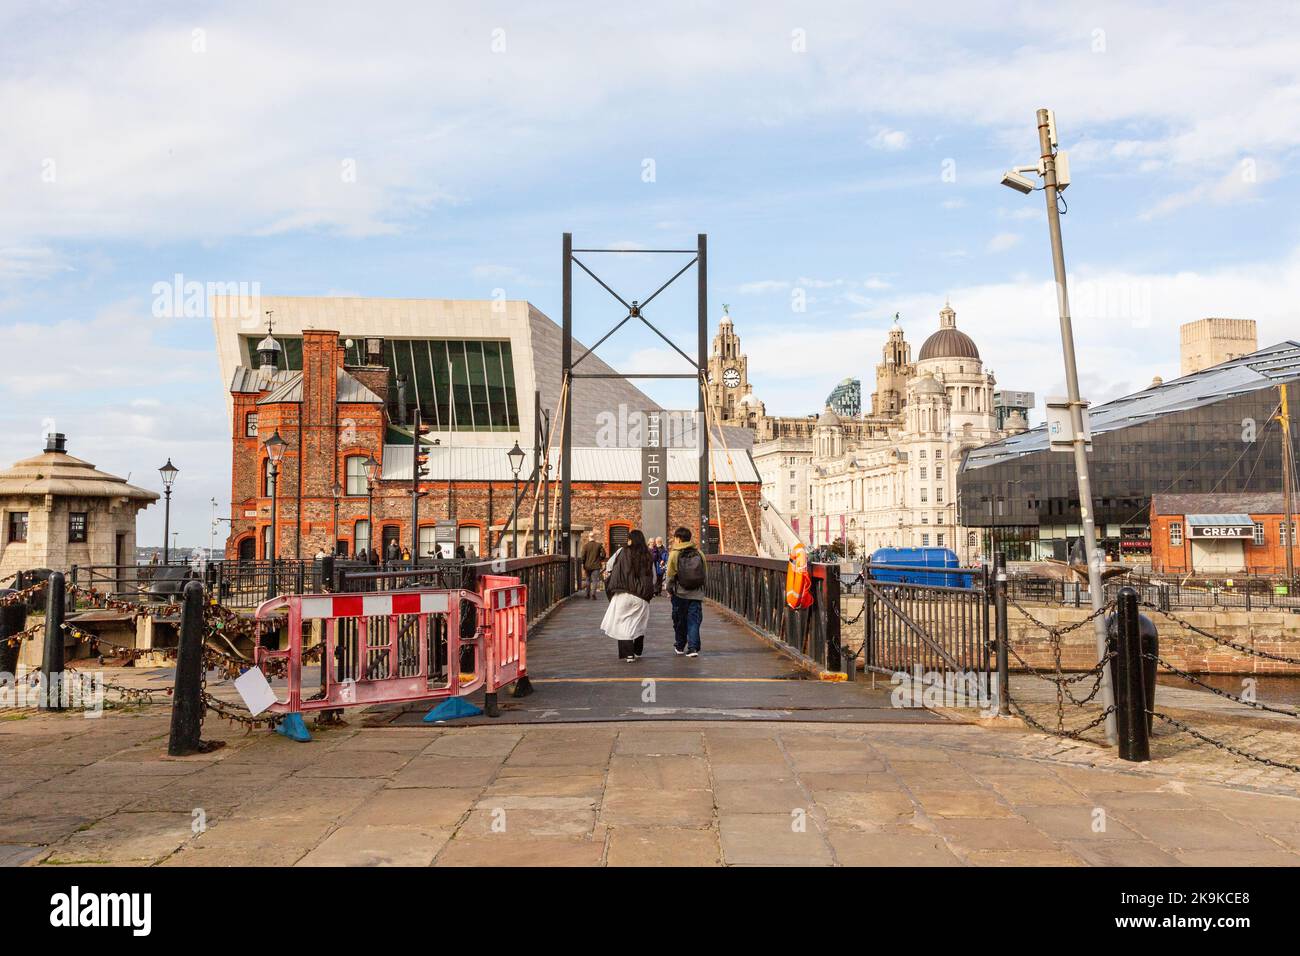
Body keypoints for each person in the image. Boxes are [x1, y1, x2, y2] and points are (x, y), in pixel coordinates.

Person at [601, 529, 655, 662]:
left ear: (630, 540)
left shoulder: (622, 551)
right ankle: (637, 650)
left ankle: (628, 654)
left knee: (623, 622)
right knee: (638, 622)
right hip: (641, 596)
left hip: (623, 592)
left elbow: (609, 566)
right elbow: (653, 577)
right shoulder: (648, 555)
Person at [666, 526, 707, 657]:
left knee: (679, 620)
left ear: (678, 538)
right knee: (693, 621)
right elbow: (704, 572)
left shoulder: (674, 553)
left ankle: (679, 645)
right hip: (696, 594)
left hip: (680, 593)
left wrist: (669, 590)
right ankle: (693, 648)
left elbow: (670, 574)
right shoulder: (699, 553)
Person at [579, 531, 606, 599]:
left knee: (588, 580)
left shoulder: (585, 546)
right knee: (594, 580)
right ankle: (593, 593)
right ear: (594, 537)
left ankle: (587, 594)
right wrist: (600, 559)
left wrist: (583, 564)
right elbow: (603, 554)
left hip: (587, 566)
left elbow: (583, 556)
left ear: (589, 537)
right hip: (596, 565)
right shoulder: (598, 545)